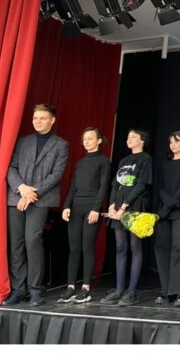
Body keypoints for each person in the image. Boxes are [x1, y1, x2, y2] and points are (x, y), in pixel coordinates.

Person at [3, 104, 69, 307]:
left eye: (42, 118)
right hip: (17, 197)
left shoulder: (61, 145)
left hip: (41, 199)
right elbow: (11, 167)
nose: (37, 121)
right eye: (35, 118)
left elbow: (56, 175)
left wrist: (32, 193)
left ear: (52, 120)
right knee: (16, 244)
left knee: (33, 240)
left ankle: (35, 290)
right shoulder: (23, 142)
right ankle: (18, 290)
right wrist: (22, 188)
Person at [58, 127, 112, 304]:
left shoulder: (104, 161)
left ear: (99, 141)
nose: (86, 141)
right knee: (74, 248)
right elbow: (73, 186)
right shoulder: (80, 163)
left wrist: (96, 208)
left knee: (87, 247)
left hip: (92, 208)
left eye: (90, 138)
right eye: (84, 139)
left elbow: (103, 187)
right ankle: (70, 287)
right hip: (76, 207)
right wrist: (66, 206)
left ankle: (86, 288)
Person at [100, 129, 152, 307]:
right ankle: (119, 289)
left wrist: (124, 206)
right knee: (121, 247)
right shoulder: (124, 160)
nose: (129, 139)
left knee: (135, 246)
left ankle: (131, 292)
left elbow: (141, 185)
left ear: (142, 140)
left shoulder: (146, 159)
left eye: (133, 137)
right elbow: (116, 184)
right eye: (128, 137)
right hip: (118, 209)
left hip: (135, 207)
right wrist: (112, 204)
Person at [153, 131, 180, 307]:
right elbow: (160, 187)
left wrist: (170, 204)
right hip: (164, 211)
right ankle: (166, 290)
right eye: (171, 142)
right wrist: (166, 206)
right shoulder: (164, 164)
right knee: (162, 248)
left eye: (176, 141)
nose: (173, 145)